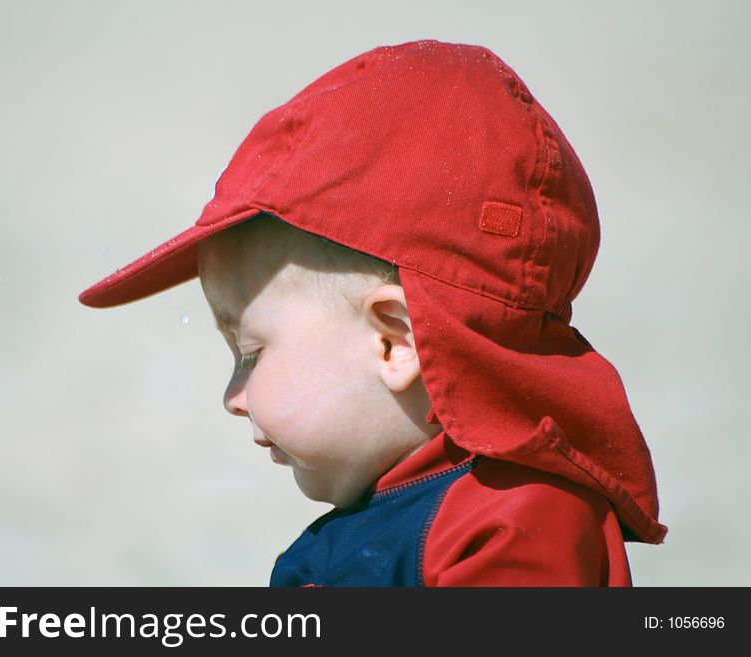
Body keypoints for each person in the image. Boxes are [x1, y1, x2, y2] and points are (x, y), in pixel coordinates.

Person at [79, 40, 666, 586]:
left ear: (396, 342)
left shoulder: (513, 524)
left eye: (250, 353)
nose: (232, 398)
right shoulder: (387, 514)